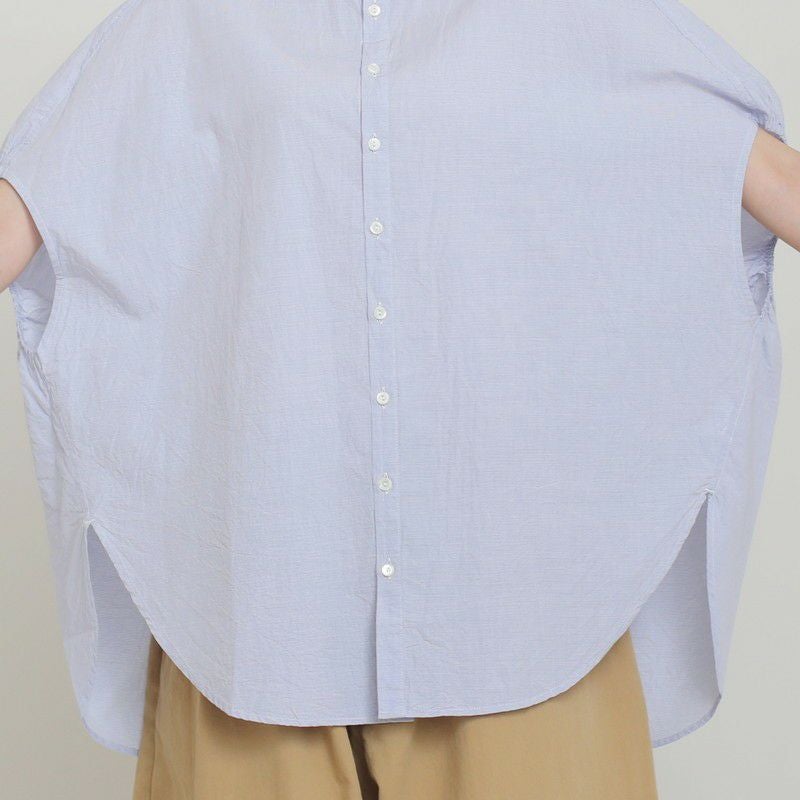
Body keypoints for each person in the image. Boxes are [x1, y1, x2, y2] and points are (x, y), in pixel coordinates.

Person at [0, 2, 797, 798]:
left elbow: (746, 170)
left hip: (517, 619)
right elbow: (38, 203)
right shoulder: (189, 19)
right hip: (263, 617)